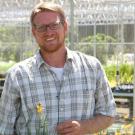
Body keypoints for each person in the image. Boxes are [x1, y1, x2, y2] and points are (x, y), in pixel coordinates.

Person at [0, 2, 116, 135]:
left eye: (54, 25)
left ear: (65, 27)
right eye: (41, 27)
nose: (48, 32)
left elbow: (109, 113)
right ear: (34, 32)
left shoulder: (92, 67)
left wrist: (84, 127)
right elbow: (5, 128)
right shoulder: (17, 75)